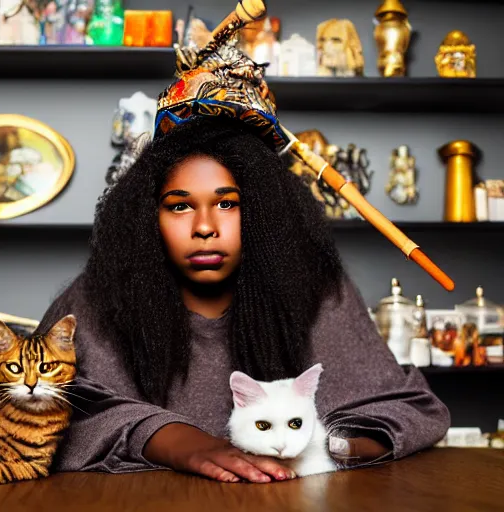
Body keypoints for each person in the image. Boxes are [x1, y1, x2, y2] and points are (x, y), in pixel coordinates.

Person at [32, 115, 450, 483]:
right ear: (146, 220)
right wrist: (181, 443)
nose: (205, 227)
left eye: (227, 203)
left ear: (264, 213)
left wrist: (325, 450)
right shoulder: (97, 296)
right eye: (179, 207)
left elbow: (410, 411)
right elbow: (29, 416)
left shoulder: (317, 290)